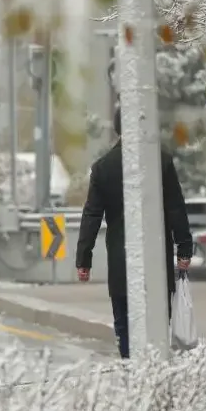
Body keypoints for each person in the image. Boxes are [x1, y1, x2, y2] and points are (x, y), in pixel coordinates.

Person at [75, 109, 194, 358]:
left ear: (117, 128)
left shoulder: (103, 168)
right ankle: (154, 373)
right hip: (157, 261)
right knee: (158, 323)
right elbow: (175, 208)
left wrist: (83, 259)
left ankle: (133, 374)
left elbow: (92, 215)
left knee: (125, 323)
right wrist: (184, 248)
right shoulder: (161, 162)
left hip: (122, 262)